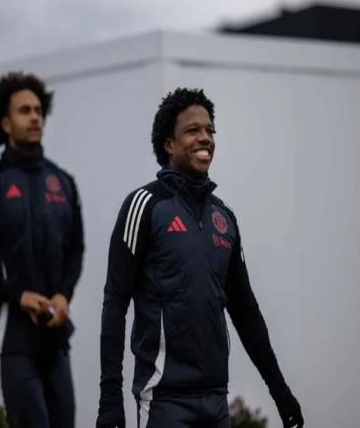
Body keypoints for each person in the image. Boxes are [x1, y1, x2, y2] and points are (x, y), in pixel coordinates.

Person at [96, 88, 303, 428]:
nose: (205, 138)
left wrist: (280, 392)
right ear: (169, 144)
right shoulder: (144, 205)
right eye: (193, 130)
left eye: (210, 130)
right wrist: (109, 398)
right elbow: (115, 303)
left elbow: (246, 313)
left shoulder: (225, 218)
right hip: (163, 400)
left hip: (216, 399)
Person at [0, 72, 84, 428]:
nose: (35, 117)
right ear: (6, 123)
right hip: (10, 336)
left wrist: (64, 295)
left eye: (38, 110)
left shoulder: (64, 182)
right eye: (25, 111)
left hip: (54, 336)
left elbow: (76, 249)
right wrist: (17, 295)